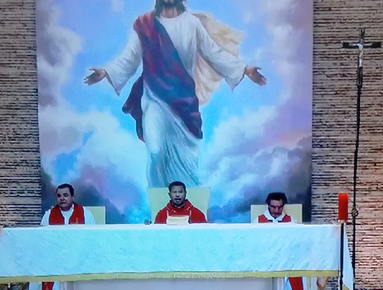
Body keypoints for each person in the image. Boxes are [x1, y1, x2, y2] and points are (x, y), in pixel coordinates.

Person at [84, 0, 267, 188]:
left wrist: (244, 69)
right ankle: (158, 199)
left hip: (184, 102)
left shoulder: (191, 23)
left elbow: (214, 52)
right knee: (155, 150)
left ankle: (186, 200)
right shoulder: (144, 24)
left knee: (186, 161)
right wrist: (106, 72)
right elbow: (129, 56)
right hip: (154, 98)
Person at [29, 184, 94, 290]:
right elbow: (43, 238)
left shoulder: (85, 214)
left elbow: (91, 237)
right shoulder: (49, 215)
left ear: (72, 197)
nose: (62, 198)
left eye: (65, 195)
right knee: (53, 274)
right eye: (59, 196)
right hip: (55, 258)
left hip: (77, 257)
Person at [253, 192, 307, 290]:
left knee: (295, 271)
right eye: (273, 207)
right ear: (268, 205)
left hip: (286, 257)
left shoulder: (291, 221)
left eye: (279, 207)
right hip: (266, 258)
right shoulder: (258, 221)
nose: (277, 211)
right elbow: (255, 243)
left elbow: (297, 242)